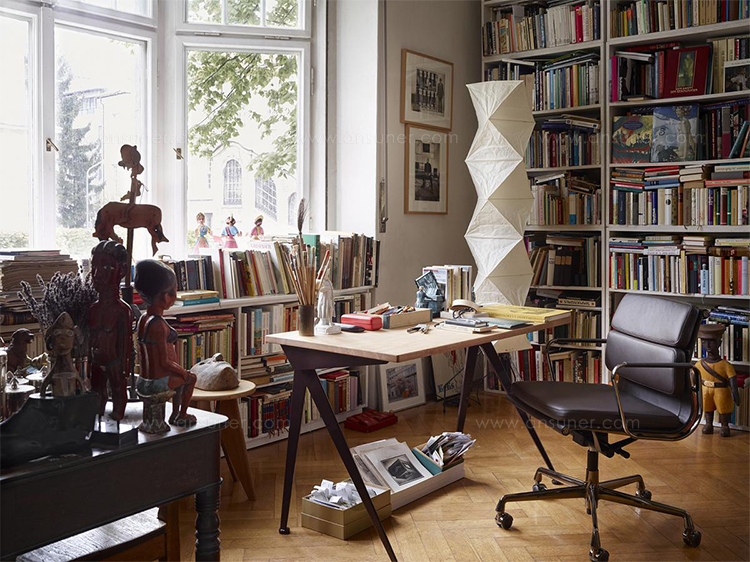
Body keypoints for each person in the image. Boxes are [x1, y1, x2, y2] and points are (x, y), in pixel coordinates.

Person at [134, 260, 197, 427]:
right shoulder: (157, 325)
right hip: (156, 382)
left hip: (144, 379)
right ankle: (181, 414)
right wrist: (184, 372)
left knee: (181, 379)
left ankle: (175, 415)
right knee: (191, 379)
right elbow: (164, 362)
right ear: (165, 297)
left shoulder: (143, 318)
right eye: (174, 292)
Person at [88, 241, 132, 421]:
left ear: (122, 270)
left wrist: (125, 366)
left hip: (115, 362)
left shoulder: (122, 311)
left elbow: (125, 342)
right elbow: (90, 338)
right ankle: (97, 412)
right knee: (96, 389)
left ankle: (117, 412)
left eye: (106, 267)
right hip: (96, 360)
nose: (97, 274)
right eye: (94, 267)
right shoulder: (93, 309)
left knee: (118, 388)